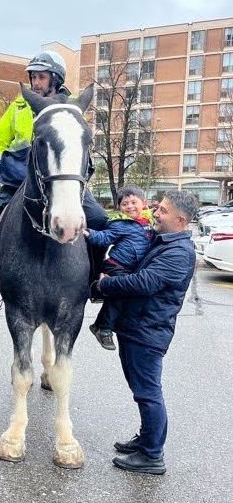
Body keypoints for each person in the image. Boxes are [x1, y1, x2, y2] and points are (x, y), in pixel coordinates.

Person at [0, 51, 108, 300]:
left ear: (55, 79)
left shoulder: (72, 109)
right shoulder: (19, 106)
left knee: (99, 218)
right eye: (33, 78)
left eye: (41, 77)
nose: (35, 83)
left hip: (60, 185)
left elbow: (81, 146)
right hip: (18, 183)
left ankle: (94, 279)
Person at [93, 191, 198, 475]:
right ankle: (146, 439)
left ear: (180, 220)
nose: (155, 213)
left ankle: (152, 455)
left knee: (148, 392)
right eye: (157, 208)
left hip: (147, 332)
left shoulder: (178, 252)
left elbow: (144, 282)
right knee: (142, 391)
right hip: (137, 326)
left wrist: (105, 286)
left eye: (162, 211)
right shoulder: (162, 241)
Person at [85, 185, 154, 350]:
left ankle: (103, 326)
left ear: (144, 203)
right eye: (125, 204)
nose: (129, 206)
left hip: (133, 268)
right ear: (119, 207)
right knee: (122, 292)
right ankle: (103, 328)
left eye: (133, 202)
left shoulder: (150, 222)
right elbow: (104, 238)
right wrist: (88, 233)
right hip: (116, 265)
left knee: (128, 294)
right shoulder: (120, 224)